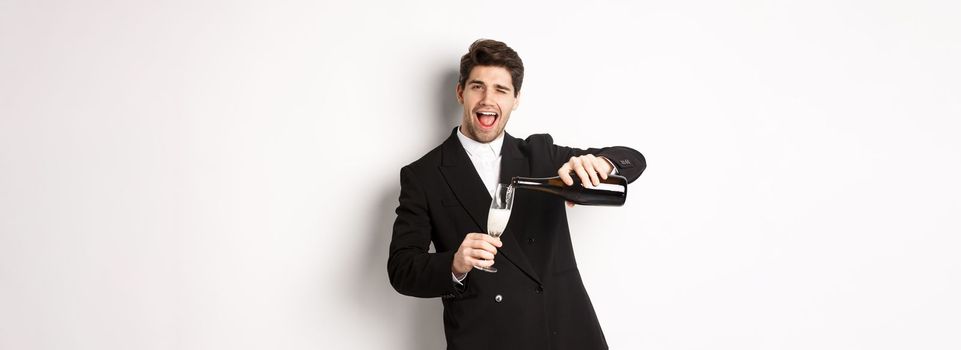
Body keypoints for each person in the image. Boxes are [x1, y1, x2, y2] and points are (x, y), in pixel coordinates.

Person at [387, 39, 646, 350]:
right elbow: (402, 269)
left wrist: (603, 162)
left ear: (516, 99)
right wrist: (454, 264)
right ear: (461, 92)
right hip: (485, 336)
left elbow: (633, 159)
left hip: (562, 331)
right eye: (477, 87)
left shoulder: (541, 156)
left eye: (501, 90)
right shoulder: (423, 175)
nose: (487, 99)